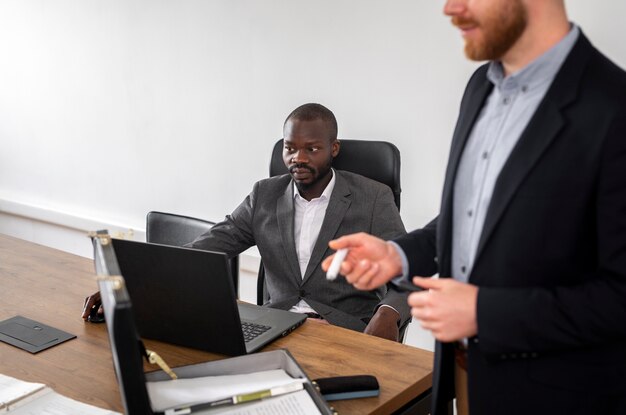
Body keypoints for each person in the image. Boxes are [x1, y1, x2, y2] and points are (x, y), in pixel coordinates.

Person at [322, 1, 626, 414]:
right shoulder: (480, 85)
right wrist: (399, 254)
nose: (451, 7)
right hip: (463, 381)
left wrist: (485, 313)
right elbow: (471, 216)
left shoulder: (614, 107)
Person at [83, 103, 410, 341]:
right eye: (290, 148)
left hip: (345, 331)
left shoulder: (372, 197)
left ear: (333, 148)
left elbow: (408, 269)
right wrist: (127, 285)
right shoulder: (265, 195)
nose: (298, 158)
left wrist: (389, 314)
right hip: (276, 326)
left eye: (312, 148)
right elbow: (206, 247)